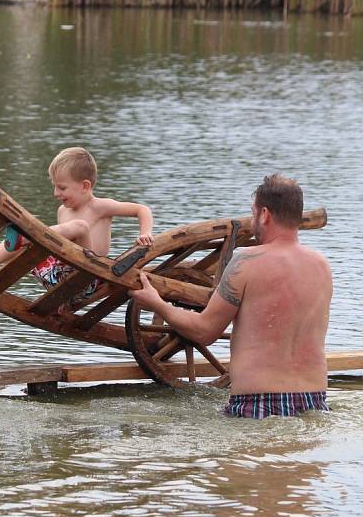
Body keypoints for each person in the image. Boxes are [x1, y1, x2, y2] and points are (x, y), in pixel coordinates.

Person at [128, 174, 332, 419]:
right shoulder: (322, 266)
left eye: (253, 212)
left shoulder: (246, 261)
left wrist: (157, 303)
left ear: (264, 214)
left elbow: (205, 331)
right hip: (315, 400)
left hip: (257, 402)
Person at [0, 147, 153, 308]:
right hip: (58, 277)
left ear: (85, 186)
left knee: (80, 227)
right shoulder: (63, 210)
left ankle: (29, 235)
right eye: (54, 186)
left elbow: (142, 209)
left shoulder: (101, 206)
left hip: (89, 278)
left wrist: (145, 233)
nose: (55, 193)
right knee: (40, 240)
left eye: (62, 188)